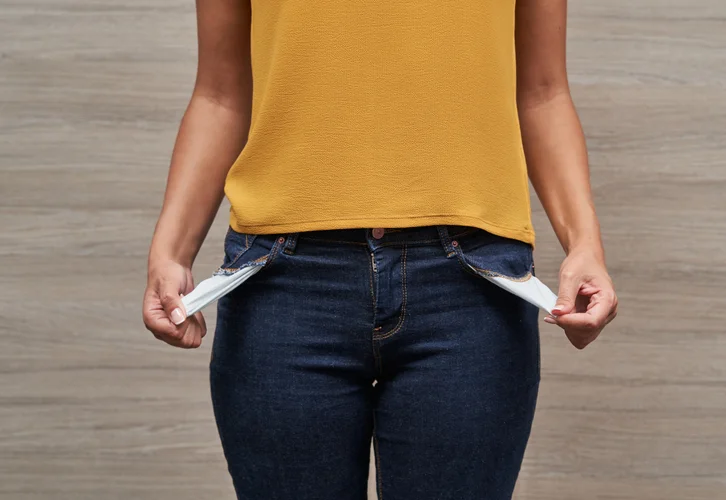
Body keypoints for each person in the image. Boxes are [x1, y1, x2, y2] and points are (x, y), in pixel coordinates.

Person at [142, 0, 618, 498]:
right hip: (284, 286)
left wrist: (584, 245)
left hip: (469, 291)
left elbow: (543, 92)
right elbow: (220, 94)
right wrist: (170, 251)